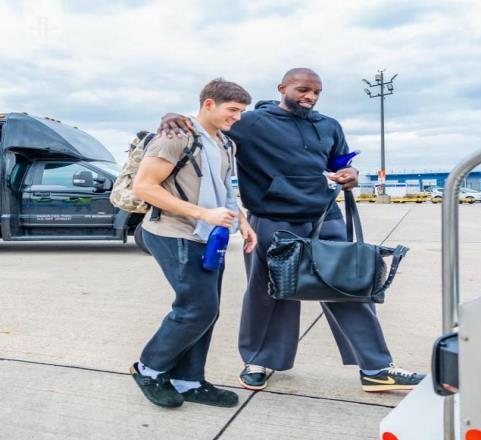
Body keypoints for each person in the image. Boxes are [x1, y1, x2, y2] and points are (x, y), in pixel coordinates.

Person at [159, 68, 424, 393]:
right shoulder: (251, 123)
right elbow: (207, 125)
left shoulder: (328, 125)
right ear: (282, 88)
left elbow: (339, 160)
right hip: (273, 218)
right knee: (268, 292)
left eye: (316, 92)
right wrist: (173, 117)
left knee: (347, 287)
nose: (310, 97)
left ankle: (377, 369)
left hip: (325, 216)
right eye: (302, 90)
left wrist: (350, 171)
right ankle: (258, 361)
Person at [129, 78, 257, 409]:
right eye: (232, 110)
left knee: (207, 311)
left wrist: (242, 222)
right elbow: (144, 186)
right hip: (174, 232)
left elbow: (224, 189)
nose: (237, 118)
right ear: (209, 104)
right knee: (196, 308)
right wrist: (202, 213)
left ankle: (188, 380)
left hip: (210, 235)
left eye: (241, 112)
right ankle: (149, 369)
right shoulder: (175, 136)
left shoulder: (226, 144)